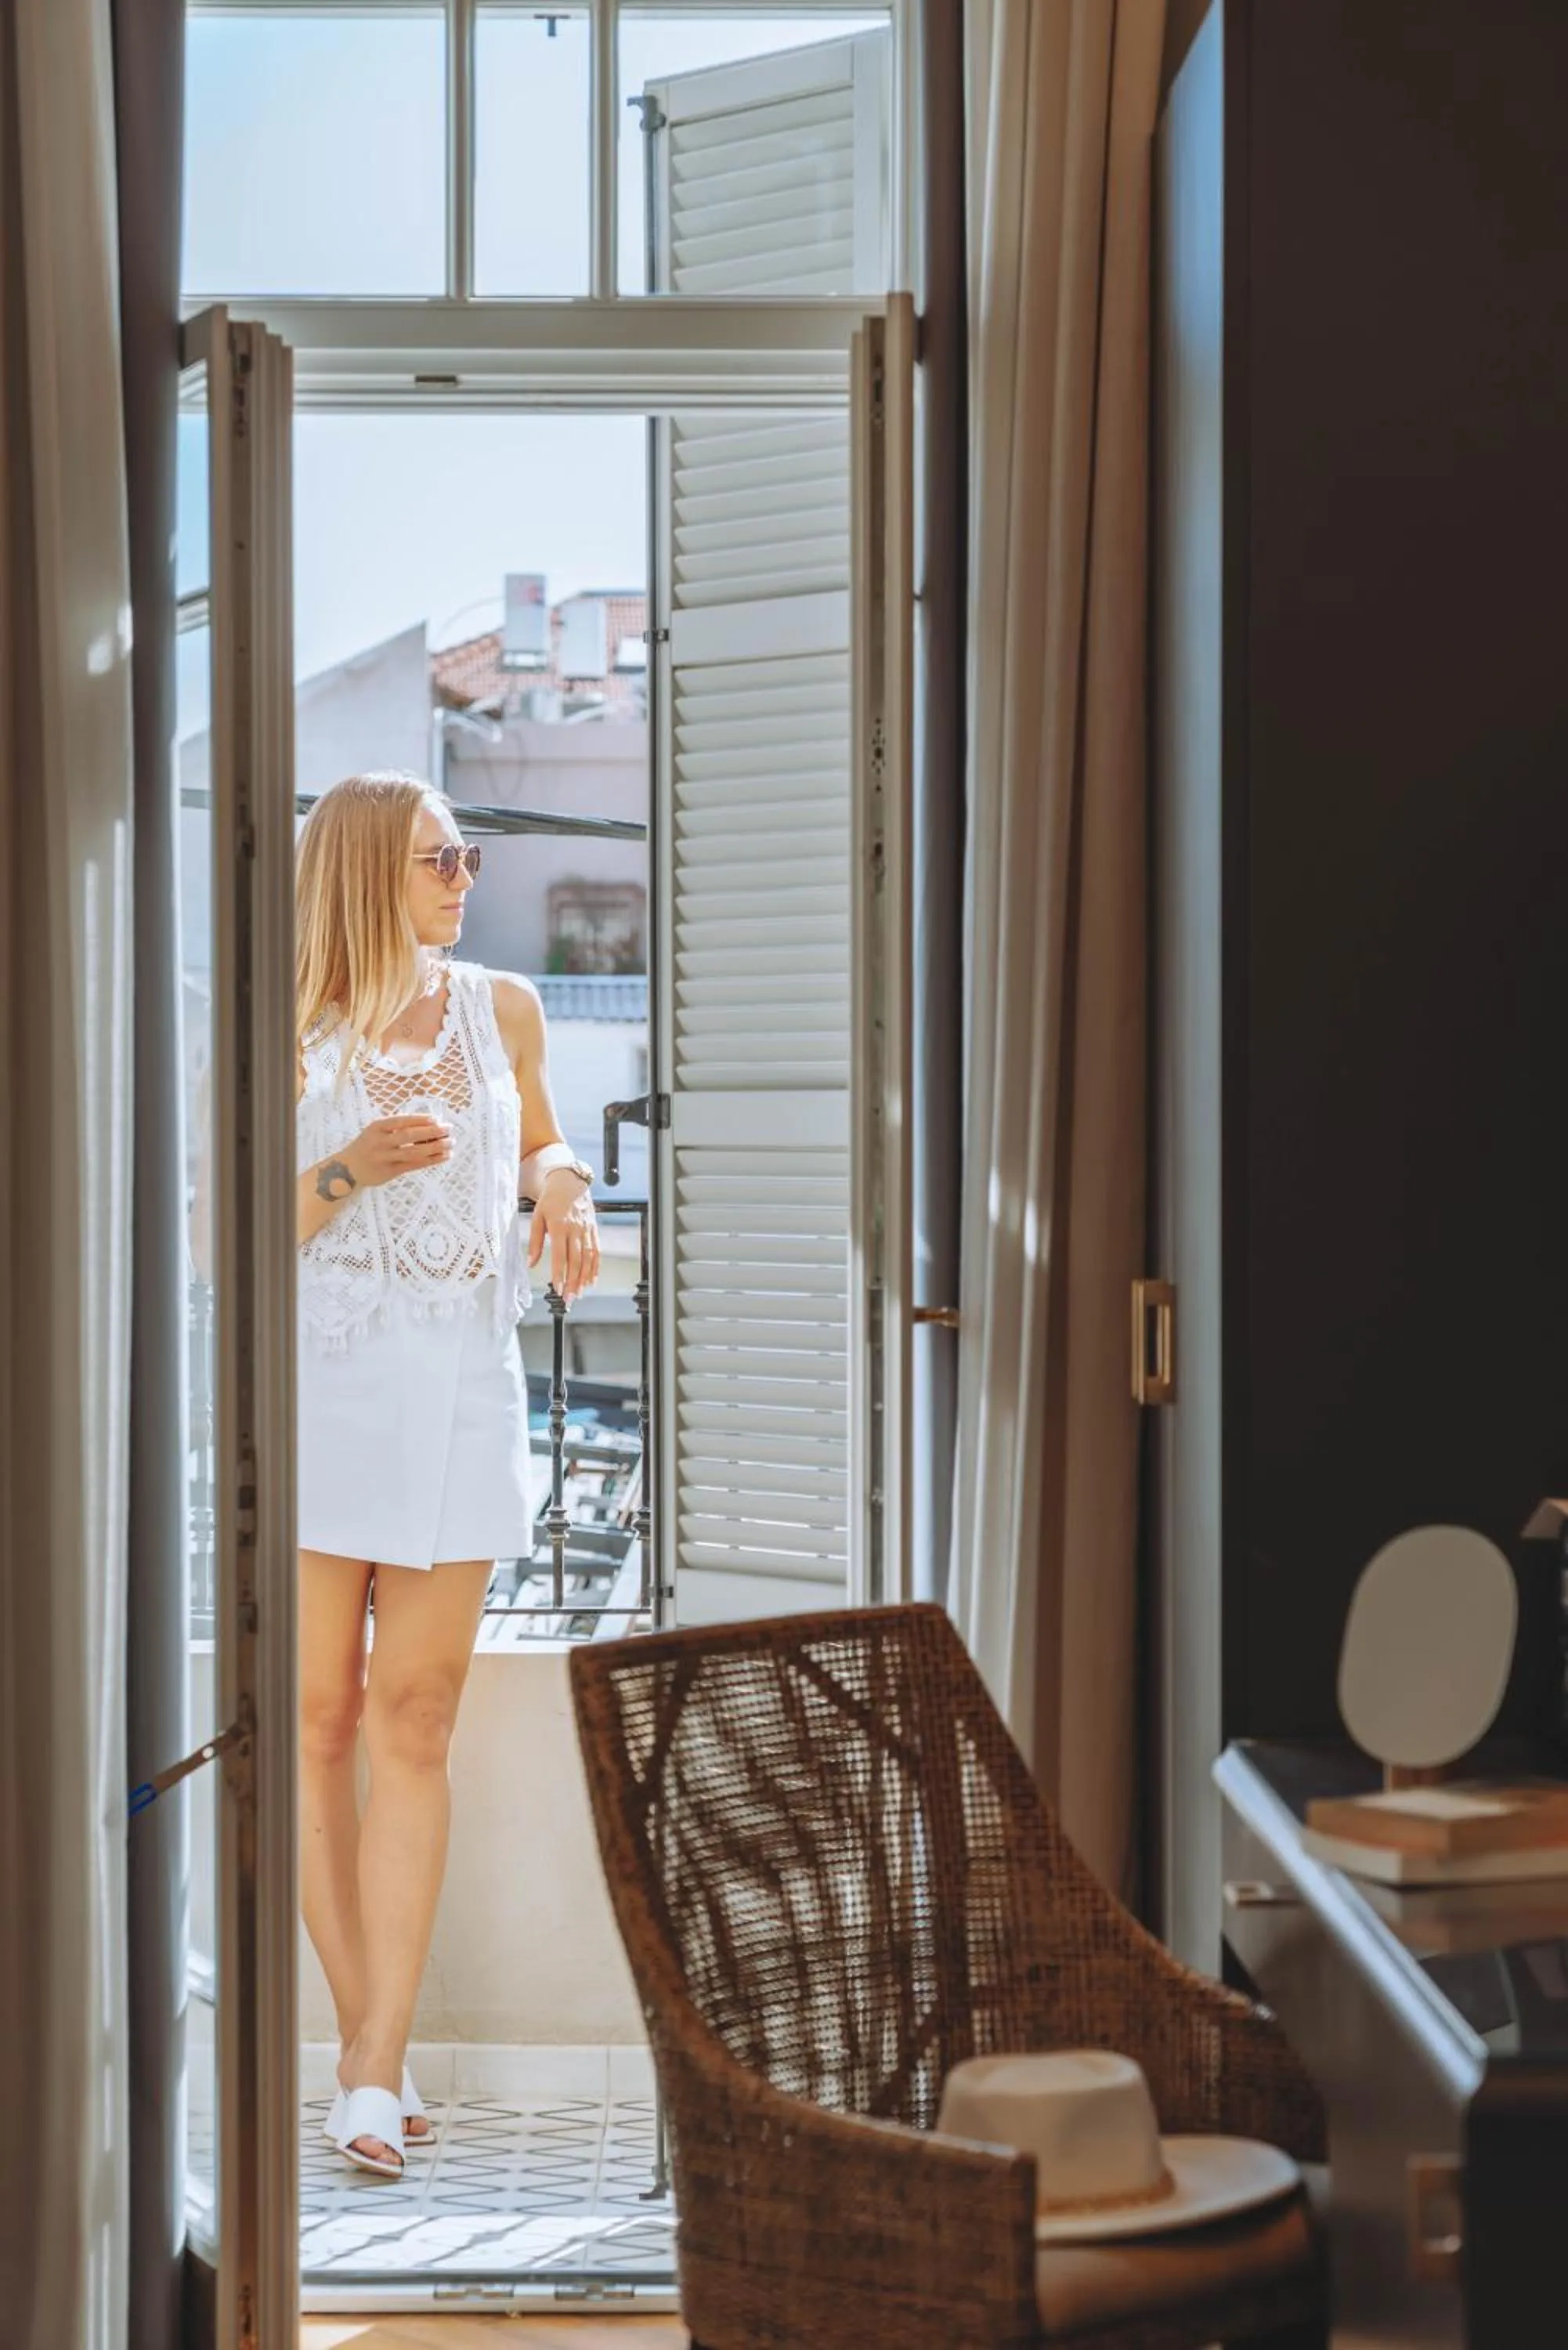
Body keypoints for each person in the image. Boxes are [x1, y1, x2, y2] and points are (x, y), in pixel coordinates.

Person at [293, 771, 600, 2177]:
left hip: (464, 1398)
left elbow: (543, 1137)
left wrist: (561, 1189)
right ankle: (377, 2056)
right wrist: (348, 1166)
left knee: (415, 1722)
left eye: (468, 854)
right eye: (439, 858)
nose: (464, 876)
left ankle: (368, 2060)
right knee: (317, 1726)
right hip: (315, 1404)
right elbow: (218, 1239)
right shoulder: (280, 1028)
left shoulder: (502, 1009)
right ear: (365, 872)